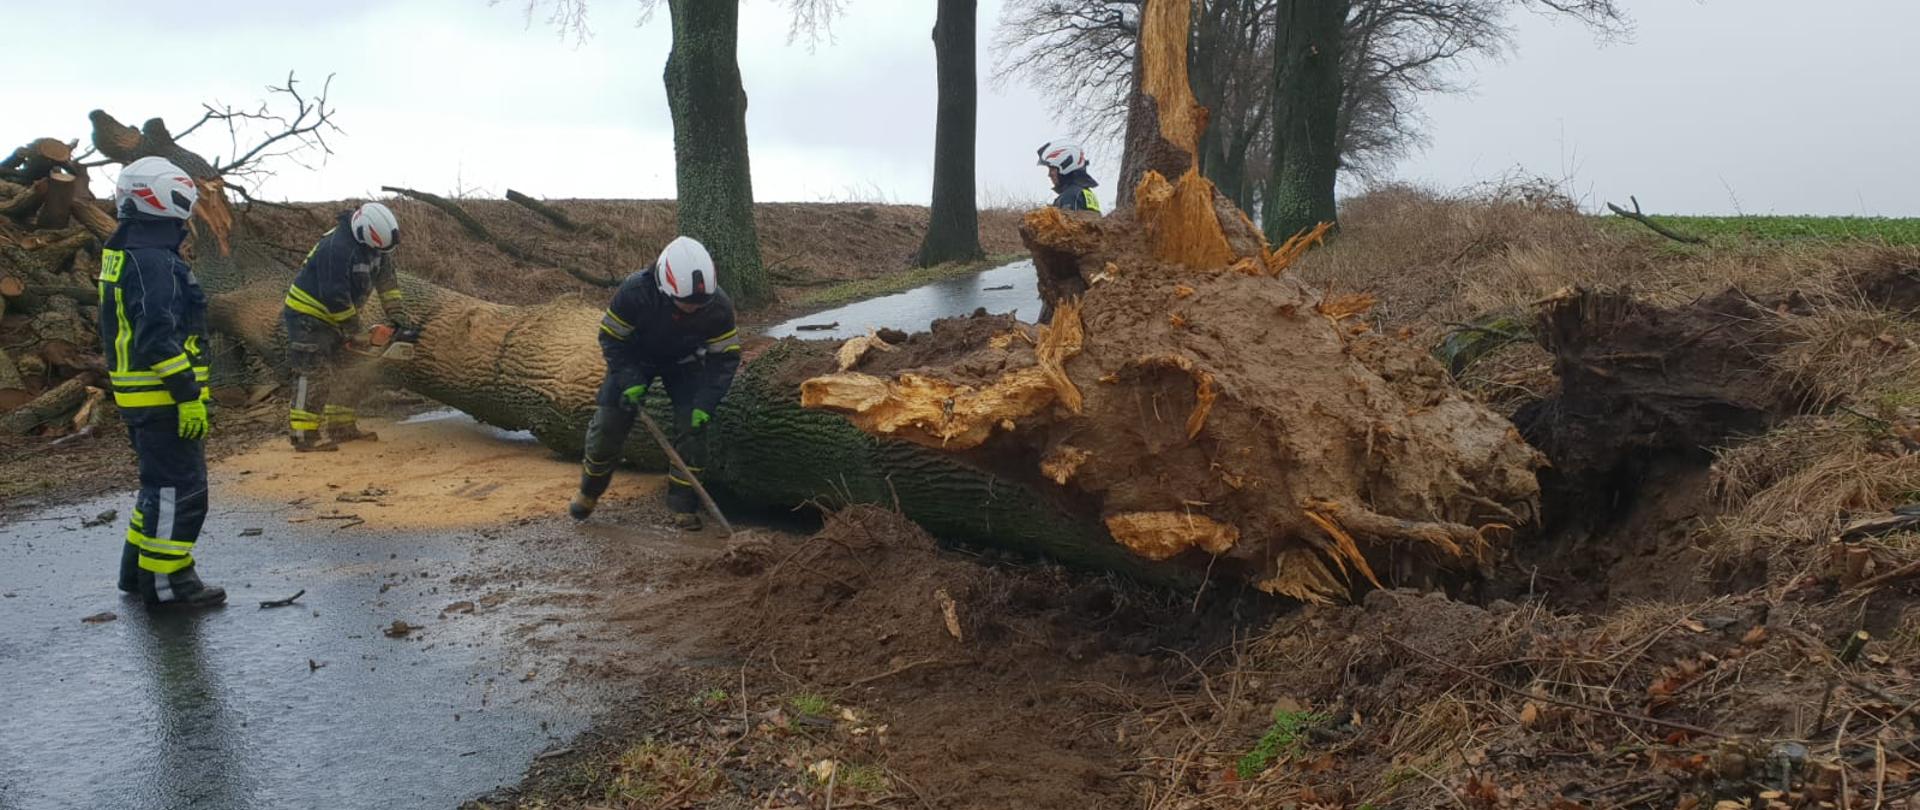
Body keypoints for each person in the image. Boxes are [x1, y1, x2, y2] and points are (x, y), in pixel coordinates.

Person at [99, 156, 225, 608]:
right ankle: (170, 585)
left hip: (143, 399)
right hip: (163, 399)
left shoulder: (126, 251)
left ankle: (136, 573)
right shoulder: (152, 260)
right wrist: (188, 395)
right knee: (182, 493)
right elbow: (156, 337)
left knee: (157, 488)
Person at [569, 236, 741, 530]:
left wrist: (705, 402)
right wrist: (629, 379)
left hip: (685, 362)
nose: (692, 310)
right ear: (665, 285)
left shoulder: (717, 306)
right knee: (608, 425)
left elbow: (725, 358)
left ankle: (683, 505)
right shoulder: (635, 292)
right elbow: (611, 338)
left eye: (699, 305)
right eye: (685, 303)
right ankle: (589, 491)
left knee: (694, 430)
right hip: (634, 358)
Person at [280, 202, 410, 451]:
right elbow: (334, 295)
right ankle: (303, 436)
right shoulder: (336, 248)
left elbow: (387, 283)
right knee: (314, 373)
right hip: (307, 313)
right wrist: (356, 331)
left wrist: (398, 316)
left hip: (340, 316)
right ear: (364, 232)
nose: (380, 254)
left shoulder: (378, 247)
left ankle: (341, 427)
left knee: (351, 369)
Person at [1037, 140, 1102, 213]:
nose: (1049, 175)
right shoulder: (1087, 193)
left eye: (1052, 169)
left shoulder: (1069, 196)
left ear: (1066, 165)